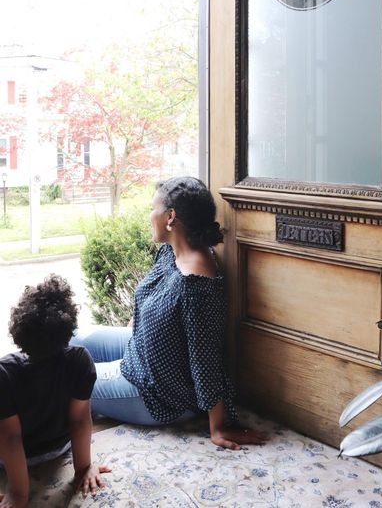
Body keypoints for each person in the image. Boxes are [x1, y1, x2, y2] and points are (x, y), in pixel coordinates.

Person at [71, 176, 266, 450]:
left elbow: (206, 358)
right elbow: (147, 300)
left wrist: (218, 425)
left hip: (157, 391)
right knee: (73, 339)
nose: (149, 215)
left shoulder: (196, 285)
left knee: (67, 380)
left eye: (154, 208)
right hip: (138, 349)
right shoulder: (171, 253)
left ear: (170, 216)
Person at [0, 276, 111, 508]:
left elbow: (10, 438)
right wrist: (83, 469)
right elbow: (80, 420)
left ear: (19, 334)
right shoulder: (81, 360)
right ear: (69, 334)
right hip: (58, 448)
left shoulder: (5, 373)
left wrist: (18, 494)